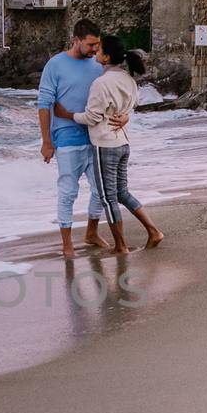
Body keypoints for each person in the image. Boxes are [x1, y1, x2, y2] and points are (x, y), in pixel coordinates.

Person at [63, 34, 163, 254]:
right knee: (122, 193)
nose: (95, 53)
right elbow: (133, 104)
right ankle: (153, 231)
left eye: (99, 51)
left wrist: (68, 115)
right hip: (123, 142)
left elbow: (92, 117)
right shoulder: (128, 78)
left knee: (109, 198)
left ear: (106, 57)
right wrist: (125, 115)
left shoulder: (101, 83)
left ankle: (121, 246)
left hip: (105, 145)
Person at [37, 19, 128, 259]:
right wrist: (47, 142)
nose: (95, 49)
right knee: (68, 192)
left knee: (101, 191)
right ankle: (67, 243)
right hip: (66, 138)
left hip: (97, 139)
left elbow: (118, 93)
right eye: (90, 44)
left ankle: (91, 232)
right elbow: (44, 104)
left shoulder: (98, 66)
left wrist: (126, 116)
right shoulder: (55, 65)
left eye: (98, 44)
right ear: (75, 40)